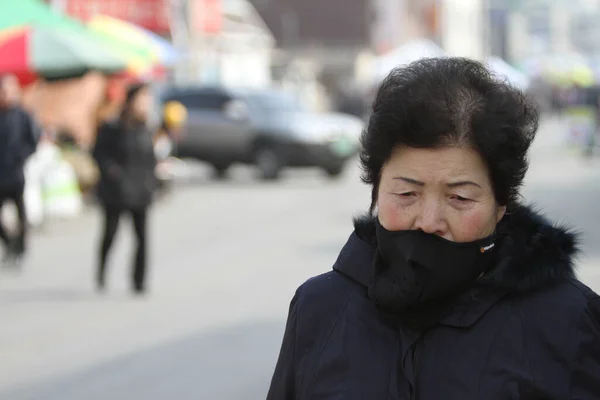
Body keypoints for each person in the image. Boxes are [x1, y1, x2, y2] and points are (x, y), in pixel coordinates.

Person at [267, 58, 600, 399]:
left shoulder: (567, 322)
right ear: (377, 189)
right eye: (407, 194)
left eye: (459, 198)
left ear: (502, 205)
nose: (428, 221)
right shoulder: (320, 307)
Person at [92, 83, 157, 295]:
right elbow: (98, 153)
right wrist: (111, 170)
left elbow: (150, 159)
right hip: (116, 191)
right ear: (130, 101)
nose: (146, 103)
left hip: (141, 191)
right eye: (142, 99)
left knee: (142, 238)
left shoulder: (146, 128)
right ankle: (101, 273)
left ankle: (139, 281)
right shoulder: (113, 127)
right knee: (110, 234)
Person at [0, 74, 40, 266]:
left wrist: (19, 157)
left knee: (20, 214)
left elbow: (32, 142)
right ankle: (9, 244)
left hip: (15, 173)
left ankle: (21, 248)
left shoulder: (23, 116)